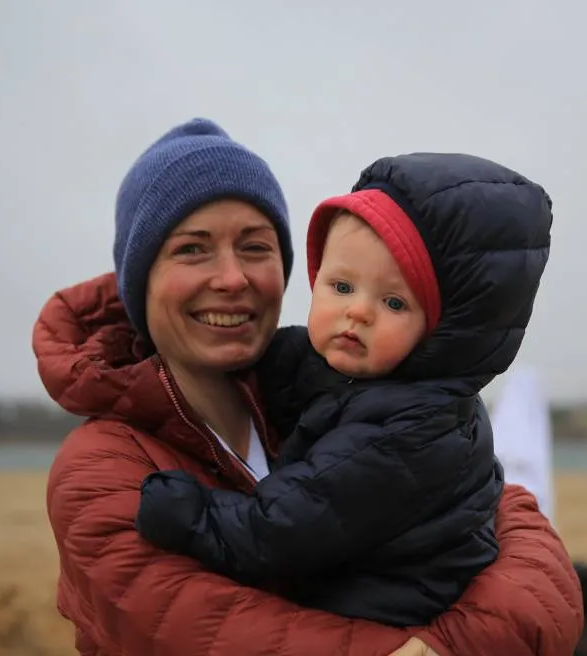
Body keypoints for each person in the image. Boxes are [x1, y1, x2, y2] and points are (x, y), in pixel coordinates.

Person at [33, 117, 583, 656]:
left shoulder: (325, 389)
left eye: (254, 246)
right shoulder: (100, 470)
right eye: (192, 249)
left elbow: (538, 563)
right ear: (139, 279)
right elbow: (214, 635)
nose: (231, 278)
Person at [137, 149, 556, 628]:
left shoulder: (408, 427)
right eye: (340, 287)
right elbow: (286, 361)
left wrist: (186, 511)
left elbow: (278, 533)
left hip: (384, 618)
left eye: (394, 301)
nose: (357, 311)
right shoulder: (357, 372)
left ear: (442, 335)